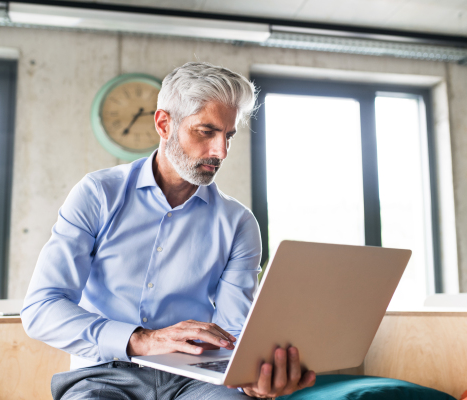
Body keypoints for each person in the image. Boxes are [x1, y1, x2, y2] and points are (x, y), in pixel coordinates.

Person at [21, 62, 316, 399]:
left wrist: (254, 376)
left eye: (228, 135)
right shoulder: (98, 194)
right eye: (206, 131)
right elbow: (41, 309)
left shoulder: (239, 223)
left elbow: (233, 331)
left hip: (196, 378)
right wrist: (141, 339)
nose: (220, 151)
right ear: (164, 124)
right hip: (104, 374)